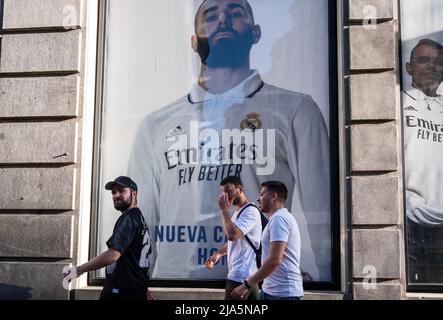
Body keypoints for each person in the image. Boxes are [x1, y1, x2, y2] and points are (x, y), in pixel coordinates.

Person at [128, 0, 330, 281]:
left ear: (256, 33)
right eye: (211, 16)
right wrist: (134, 284)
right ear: (193, 41)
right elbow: (142, 222)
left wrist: (320, 284)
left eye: (235, 13)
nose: (223, 19)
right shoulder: (154, 126)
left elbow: (324, 217)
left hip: (258, 285)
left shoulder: (296, 110)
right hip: (175, 282)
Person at [63, 176, 153, 300]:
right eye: (114, 192)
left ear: (134, 194)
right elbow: (134, 258)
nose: (116, 195)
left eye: (121, 191)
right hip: (135, 291)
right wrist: (143, 288)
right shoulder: (139, 218)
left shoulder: (128, 219)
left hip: (122, 293)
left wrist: (79, 270)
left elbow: (113, 255)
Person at [403, 39, 443, 283]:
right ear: (409, 68)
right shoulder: (398, 104)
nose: (431, 66)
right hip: (412, 224)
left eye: (438, 61)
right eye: (423, 59)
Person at [232, 181, 303, 300]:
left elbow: (275, 260)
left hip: (283, 294)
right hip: (271, 292)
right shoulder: (278, 218)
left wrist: (246, 285)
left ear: (273, 196)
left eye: (262, 194)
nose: (258, 199)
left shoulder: (279, 219)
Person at [205, 176, 261, 300]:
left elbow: (232, 235)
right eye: (223, 192)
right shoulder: (238, 212)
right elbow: (238, 241)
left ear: (240, 189)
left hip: (240, 277)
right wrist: (218, 254)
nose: (225, 195)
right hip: (245, 277)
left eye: (229, 191)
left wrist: (224, 210)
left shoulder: (250, 212)